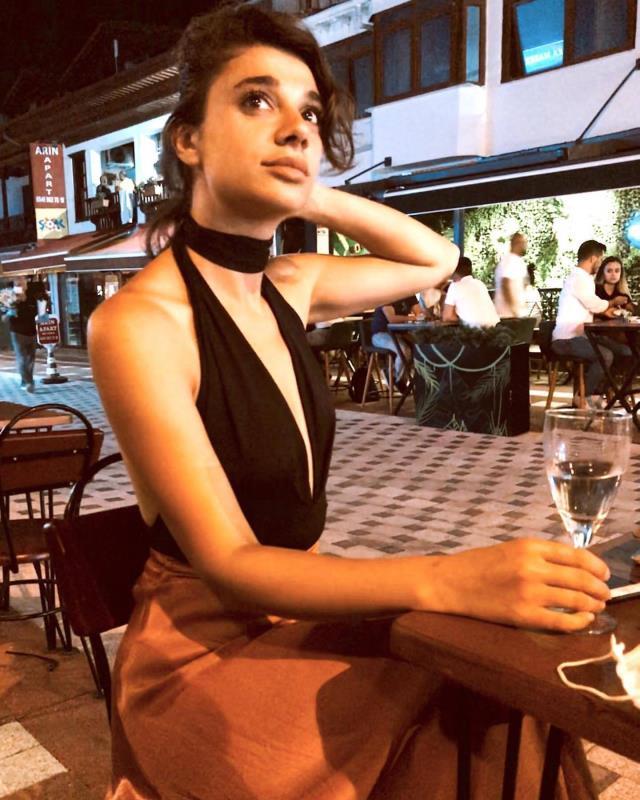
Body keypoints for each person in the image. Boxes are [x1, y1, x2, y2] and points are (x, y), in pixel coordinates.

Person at [88, 6, 607, 798]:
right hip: (200, 656)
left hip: (300, 613)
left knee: (506, 687)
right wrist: (447, 576)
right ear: (188, 139)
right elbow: (230, 565)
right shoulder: (138, 323)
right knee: (474, 698)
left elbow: (436, 257)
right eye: (256, 100)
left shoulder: (291, 284)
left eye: (308, 113)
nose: (295, 128)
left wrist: (314, 198)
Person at [552, 240, 630, 408]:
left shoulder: (584, 278)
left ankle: (601, 392)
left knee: (623, 351)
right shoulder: (578, 278)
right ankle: (583, 396)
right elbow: (593, 304)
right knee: (605, 356)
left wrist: (605, 310)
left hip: (582, 336)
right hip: (566, 339)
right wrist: (611, 303)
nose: (600, 263)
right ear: (593, 258)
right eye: (600, 259)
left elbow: (592, 306)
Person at [371, 295, 421, 391]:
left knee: (420, 349)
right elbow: (392, 319)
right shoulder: (388, 295)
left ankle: (394, 375)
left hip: (399, 334)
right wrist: (413, 318)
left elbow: (419, 312)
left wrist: (423, 315)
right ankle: (397, 379)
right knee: (404, 350)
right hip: (380, 334)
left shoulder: (410, 295)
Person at [6, 279, 45, 392]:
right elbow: (4, 317)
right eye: (19, 284)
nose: (21, 286)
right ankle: (28, 382)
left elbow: (40, 314)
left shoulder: (31, 298)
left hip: (31, 331)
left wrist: (42, 311)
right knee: (22, 358)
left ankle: (27, 381)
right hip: (17, 332)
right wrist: (10, 310)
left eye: (23, 284)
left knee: (30, 358)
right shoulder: (10, 298)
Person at [442, 256, 500, 327]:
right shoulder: (480, 283)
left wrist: (461, 320)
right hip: (496, 327)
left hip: (476, 330)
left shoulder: (455, 286)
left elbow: (447, 317)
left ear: (453, 270)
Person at [493, 232, 528, 318]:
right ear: (516, 243)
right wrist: (514, 310)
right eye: (523, 243)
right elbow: (505, 285)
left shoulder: (517, 261)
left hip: (514, 314)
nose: (525, 245)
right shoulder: (510, 261)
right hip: (508, 315)